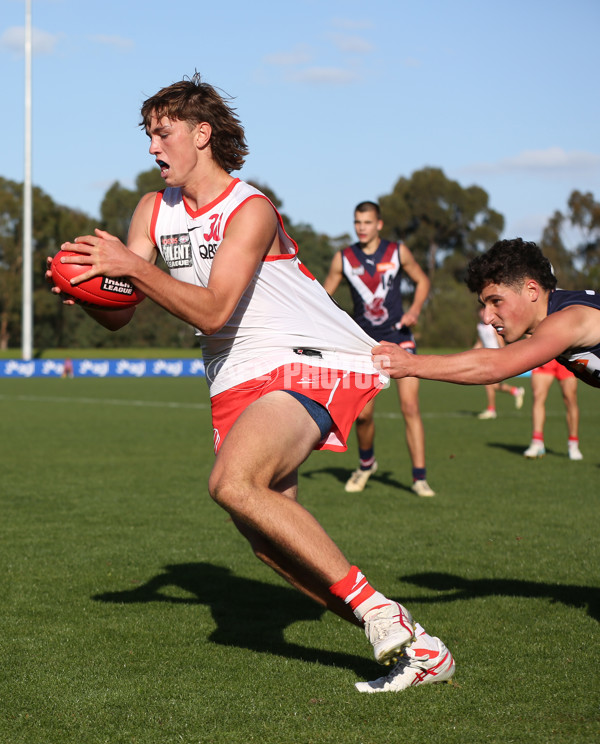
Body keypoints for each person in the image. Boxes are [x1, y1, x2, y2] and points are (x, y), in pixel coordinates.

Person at [47, 74, 454, 693]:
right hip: (234, 379)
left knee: (232, 483)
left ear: (201, 134)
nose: (153, 148)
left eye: (164, 133)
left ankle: (381, 614)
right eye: (148, 136)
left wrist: (127, 265)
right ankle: (421, 648)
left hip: (304, 358)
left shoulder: (250, 208)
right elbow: (123, 309)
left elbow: (213, 309)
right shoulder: (153, 211)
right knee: (272, 545)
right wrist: (89, 292)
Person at [371, 239, 600, 396]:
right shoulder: (556, 320)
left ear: (532, 291)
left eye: (496, 301)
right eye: (484, 305)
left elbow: (494, 365)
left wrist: (411, 363)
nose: (488, 317)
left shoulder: (567, 320)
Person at [323, 202, 435, 497]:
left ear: (379, 224)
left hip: (400, 339)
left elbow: (422, 280)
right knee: (363, 416)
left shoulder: (397, 252)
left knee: (410, 407)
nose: (362, 227)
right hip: (365, 346)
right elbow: (322, 298)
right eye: (357, 222)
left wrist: (415, 310)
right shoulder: (343, 258)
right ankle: (366, 464)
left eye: (368, 222)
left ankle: (419, 478)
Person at [523, 359, 583, 460]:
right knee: (538, 396)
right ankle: (537, 442)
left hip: (567, 354)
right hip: (546, 353)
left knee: (570, 399)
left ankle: (573, 444)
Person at [473, 307, 525, 419]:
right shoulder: (480, 326)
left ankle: (491, 410)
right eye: (481, 311)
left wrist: (504, 354)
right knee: (494, 386)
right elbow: (480, 342)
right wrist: (471, 353)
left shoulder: (492, 326)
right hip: (486, 358)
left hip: (495, 356)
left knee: (488, 384)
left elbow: (500, 340)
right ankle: (515, 391)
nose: (482, 314)